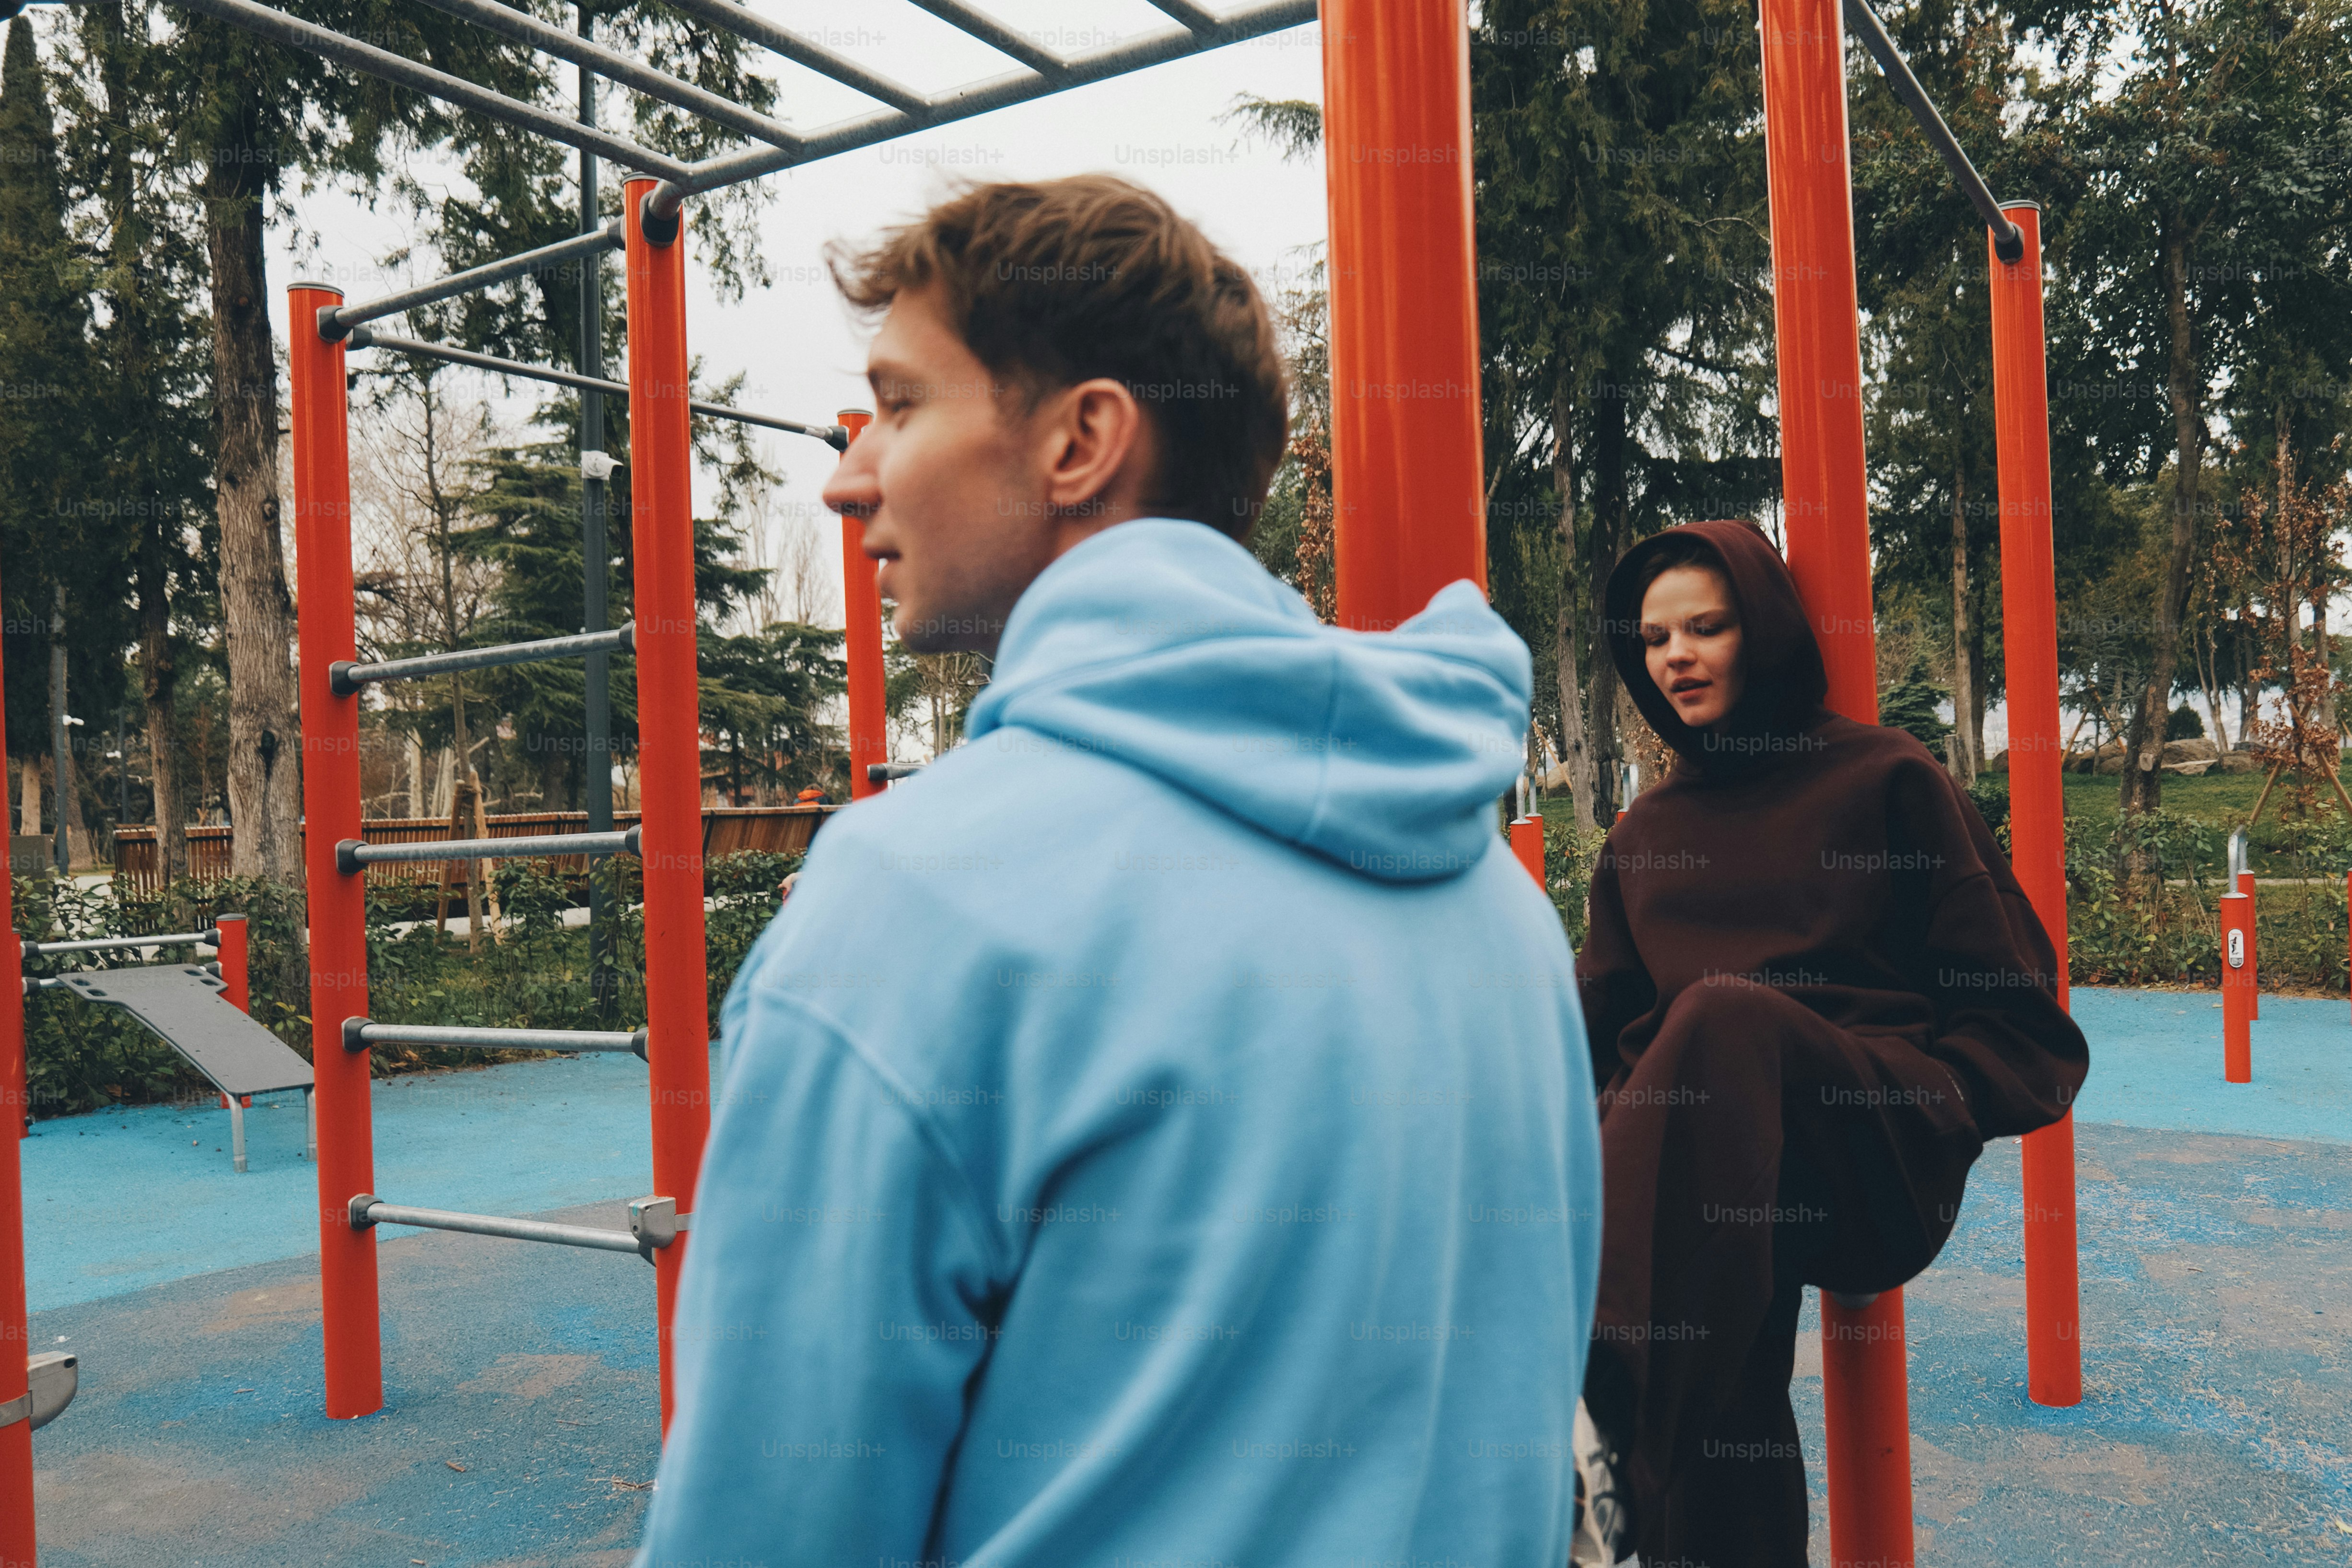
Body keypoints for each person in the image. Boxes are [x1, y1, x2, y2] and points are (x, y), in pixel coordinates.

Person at [635, 175, 1604, 1568]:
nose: (850, 473)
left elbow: (770, 1521)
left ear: (1083, 438)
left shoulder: (914, 902)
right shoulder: (1494, 894)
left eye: (901, 405)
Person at [1568, 519, 2090, 1567]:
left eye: (1705, 628)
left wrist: (1940, 1103)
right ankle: (1625, 1485)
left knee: (1719, 1018)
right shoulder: (1642, 841)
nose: (1675, 656)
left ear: (1760, 631)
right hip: (1712, 1185)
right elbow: (1590, 1051)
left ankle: (1587, 1420)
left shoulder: (1883, 780)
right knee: (1717, 1381)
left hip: (1872, 1151)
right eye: (1654, 638)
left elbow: (2023, 1023)